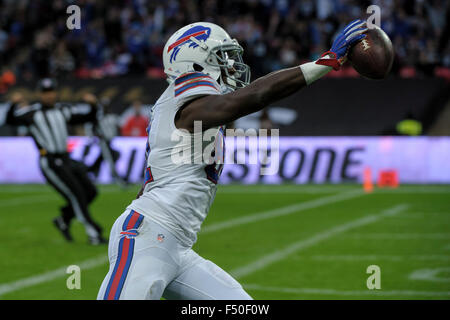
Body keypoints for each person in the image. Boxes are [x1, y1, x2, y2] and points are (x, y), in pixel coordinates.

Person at [97, 20, 367, 299]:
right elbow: (251, 97)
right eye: (221, 56)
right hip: (148, 239)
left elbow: (162, 175)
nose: (231, 64)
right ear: (197, 62)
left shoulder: (186, 106)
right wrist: (323, 63)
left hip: (176, 245)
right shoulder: (186, 97)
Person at [6, 78, 107, 245]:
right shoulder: (32, 114)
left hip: (66, 158)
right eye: (45, 92)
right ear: (39, 94)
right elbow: (10, 121)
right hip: (50, 161)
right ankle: (93, 233)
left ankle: (64, 219)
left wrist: (93, 105)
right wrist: (12, 104)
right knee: (76, 194)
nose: (49, 95)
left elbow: (87, 117)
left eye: (51, 91)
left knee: (90, 192)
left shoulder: (63, 110)